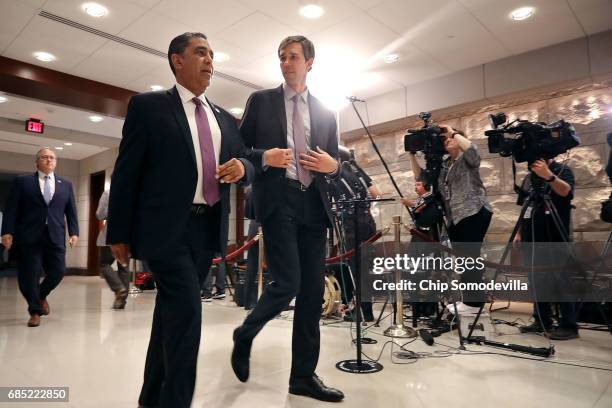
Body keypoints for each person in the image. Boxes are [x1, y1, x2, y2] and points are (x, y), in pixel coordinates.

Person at [106, 32, 253, 408]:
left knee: (170, 315)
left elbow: (245, 158)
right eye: (200, 52)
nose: (209, 61)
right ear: (177, 60)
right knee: (188, 311)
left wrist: (243, 168)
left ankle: (151, 397)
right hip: (164, 230)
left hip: (206, 230)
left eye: (212, 55)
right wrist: (118, 230)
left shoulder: (224, 118)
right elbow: (127, 173)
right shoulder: (149, 106)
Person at [232, 35, 344, 402]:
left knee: (312, 295)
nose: (285, 63)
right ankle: (245, 332)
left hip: (315, 205)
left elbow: (332, 161)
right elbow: (237, 149)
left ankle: (302, 377)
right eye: (281, 57)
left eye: (292, 57)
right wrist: (265, 157)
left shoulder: (327, 111)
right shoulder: (261, 101)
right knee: (289, 283)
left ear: (309, 62)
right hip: (278, 202)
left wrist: (334, 165)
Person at [409, 126, 493, 314]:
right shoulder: (445, 165)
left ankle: (474, 304)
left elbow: (474, 152)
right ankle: (471, 303)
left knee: (470, 257)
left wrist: (453, 132)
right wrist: (411, 155)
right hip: (455, 216)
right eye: (445, 139)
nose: (447, 140)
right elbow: (420, 176)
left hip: (473, 211)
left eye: (451, 139)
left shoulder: (466, 159)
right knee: (464, 259)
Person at [1, 148, 78, 327]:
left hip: (55, 235)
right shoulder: (23, 182)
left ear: (56, 162)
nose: (49, 160)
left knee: (58, 271)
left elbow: (71, 211)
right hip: (29, 236)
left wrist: (74, 232)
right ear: (37, 162)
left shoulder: (65, 184)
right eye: (45, 157)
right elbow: (11, 209)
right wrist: (6, 231)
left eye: (52, 157)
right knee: (29, 275)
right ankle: (35, 311)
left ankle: (40, 295)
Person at [516, 159, 578, 340]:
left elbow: (566, 191)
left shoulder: (562, 169)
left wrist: (548, 176)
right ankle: (541, 320)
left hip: (554, 236)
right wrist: (519, 233)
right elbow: (524, 208)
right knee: (535, 280)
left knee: (561, 280)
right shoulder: (528, 178)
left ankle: (569, 325)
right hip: (531, 236)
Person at [331, 146, 379, 322]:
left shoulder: (336, 173)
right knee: (366, 268)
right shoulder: (358, 170)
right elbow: (375, 194)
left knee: (355, 268)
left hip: (352, 225)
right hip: (369, 224)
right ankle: (367, 310)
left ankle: (360, 311)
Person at [96, 188, 130, 309]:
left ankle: (119, 288)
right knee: (124, 266)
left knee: (104, 263)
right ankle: (120, 301)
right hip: (128, 235)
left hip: (111, 234)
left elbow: (99, 214)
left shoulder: (109, 192)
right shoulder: (134, 191)